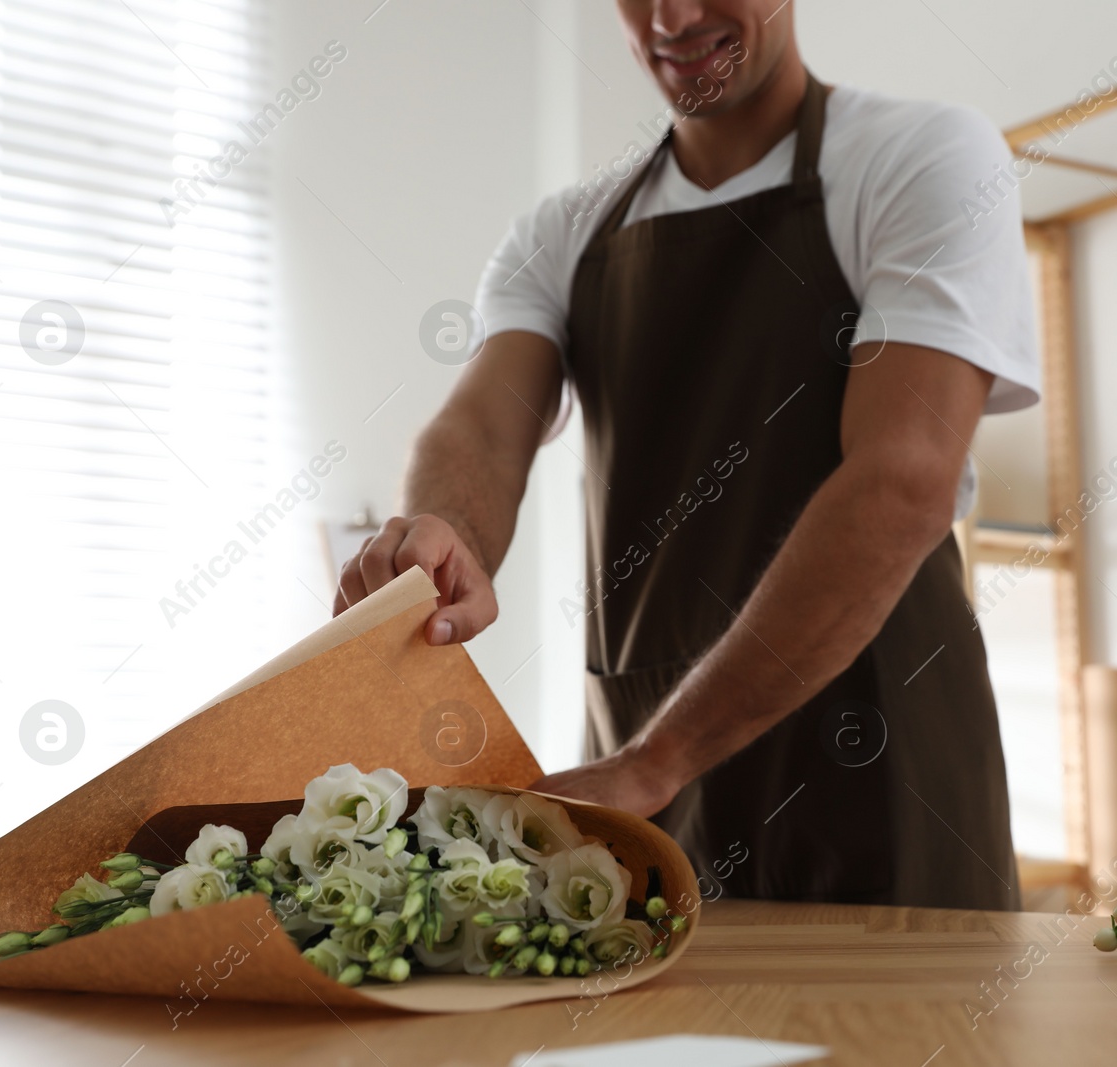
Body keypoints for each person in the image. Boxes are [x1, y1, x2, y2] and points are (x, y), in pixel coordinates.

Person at [334, 0, 1039, 909]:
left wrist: (653, 761)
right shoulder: (563, 232)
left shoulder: (924, 157)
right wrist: (447, 530)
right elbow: (478, 423)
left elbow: (901, 481)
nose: (672, 15)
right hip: (647, 781)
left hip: (881, 772)